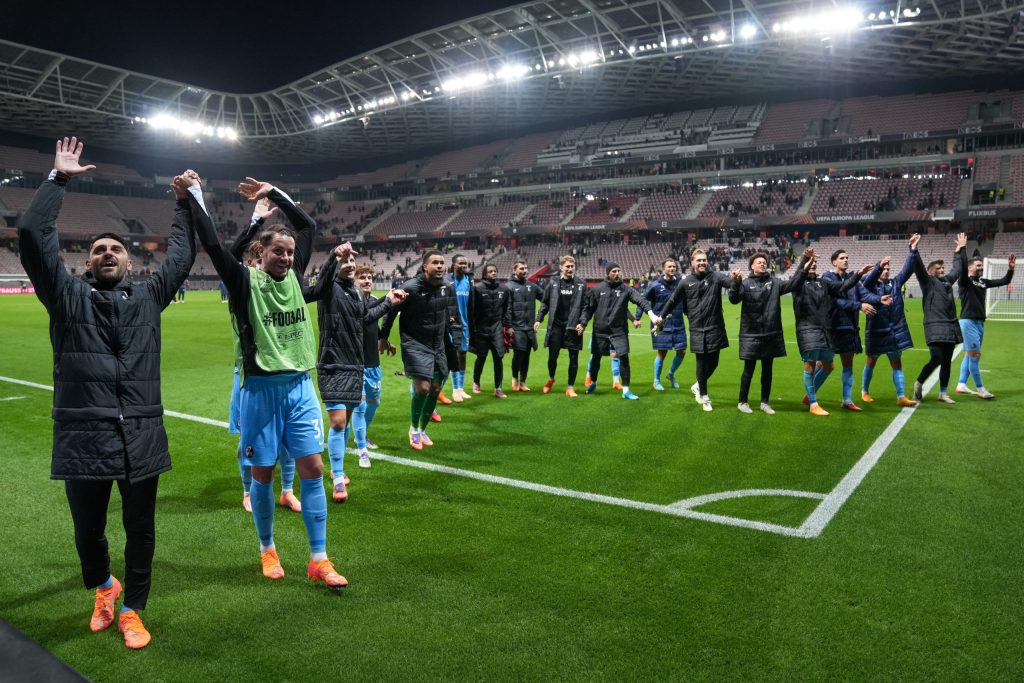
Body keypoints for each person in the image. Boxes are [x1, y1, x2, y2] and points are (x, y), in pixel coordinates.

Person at [18, 137, 196, 648]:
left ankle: (133, 608)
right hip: (83, 435)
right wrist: (58, 179)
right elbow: (31, 235)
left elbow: (182, 256)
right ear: (87, 264)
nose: (108, 253)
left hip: (142, 432)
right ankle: (103, 588)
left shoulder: (150, 296)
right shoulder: (65, 297)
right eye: (99, 250)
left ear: (131, 262)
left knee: (141, 530)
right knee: (88, 531)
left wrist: (182, 205)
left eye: (116, 248)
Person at [188, 174, 347, 589]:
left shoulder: (295, 275)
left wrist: (274, 192)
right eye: (279, 251)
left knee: (313, 467)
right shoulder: (244, 283)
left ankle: (318, 558)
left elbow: (308, 225)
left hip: (300, 386)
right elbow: (214, 246)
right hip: (260, 390)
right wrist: (196, 195)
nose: (287, 258)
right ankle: (267, 548)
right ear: (261, 252)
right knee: (263, 472)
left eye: (291, 252)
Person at [304, 244, 403, 502]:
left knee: (345, 421)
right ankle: (338, 479)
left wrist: (389, 303)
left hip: (355, 365)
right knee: (338, 422)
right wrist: (332, 256)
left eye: (351, 261)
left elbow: (365, 318)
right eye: (345, 261)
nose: (349, 264)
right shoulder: (328, 288)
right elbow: (320, 283)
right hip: (333, 363)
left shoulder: (357, 292)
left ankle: (338, 468)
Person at [232, 238, 300, 513]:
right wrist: (255, 220)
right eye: (251, 264)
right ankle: (247, 491)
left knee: (287, 438)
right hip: (250, 376)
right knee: (247, 439)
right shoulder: (242, 288)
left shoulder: (281, 288)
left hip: (283, 375)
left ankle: (287, 490)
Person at [380, 250, 454, 450]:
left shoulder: (447, 286)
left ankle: (422, 429)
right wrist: (383, 337)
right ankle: (413, 428)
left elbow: (447, 313)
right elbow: (390, 311)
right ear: (425, 267)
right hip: (414, 343)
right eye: (435, 263)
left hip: (437, 344)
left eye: (442, 263)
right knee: (422, 387)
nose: (440, 266)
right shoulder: (410, 288)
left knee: (436, 388)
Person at [728, 248, 811, 414]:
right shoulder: (745, 283)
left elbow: (794, 283)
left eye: (764, 262)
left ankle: (764, 402)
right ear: (752, 266)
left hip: (770, 333)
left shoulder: (775, 283)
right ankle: (742, 401)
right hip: (750, 334)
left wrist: (803, 263)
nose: (762, 264)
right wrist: (735, 283)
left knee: (767, 370)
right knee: (748, 370)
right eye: (759, 262)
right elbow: (733, 299)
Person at [659, 249, 742, 411]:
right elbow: (673, 300)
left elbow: (730, 283)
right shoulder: (686, 282)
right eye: (699, 260)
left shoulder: (716, 277)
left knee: (714, 362)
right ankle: (704, 397)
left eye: (704, 260)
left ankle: (697, 385)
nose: (702, 262)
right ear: (692, 263)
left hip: (715, 326)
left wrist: (736, 280)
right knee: (701, 363)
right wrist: (661, 317)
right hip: (697, 328)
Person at [792, 255, 871, 416]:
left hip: (824, 329)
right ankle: (813, 403)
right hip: (808, 329)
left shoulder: (823, 282)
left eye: (815, 263)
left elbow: (843, 286)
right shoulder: (798, 283)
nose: (813, 265)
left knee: (828, 366)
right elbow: (797, 277)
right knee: (810, 366)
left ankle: (812, 398)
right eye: (810, 263)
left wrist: (858, 274)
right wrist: (804, 260)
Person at [578, 262, 661, 399]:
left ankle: (626, 390)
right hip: (600, 331)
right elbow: (588, 309)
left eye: (618, 271)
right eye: (614, 271)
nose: (617, 274)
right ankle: (593, 383)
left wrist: (651, 315)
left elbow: (640, 300)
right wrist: (583, 323)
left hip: (619, 331)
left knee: (624, 357)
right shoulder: (597, 289)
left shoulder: (626, 289)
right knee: (596, 357)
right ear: (608, 273)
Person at [821, 249, 888, 412]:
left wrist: (879, 299)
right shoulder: (827, 278)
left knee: (848, 365)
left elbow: (865, 295)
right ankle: (811, 396)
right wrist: (859, 305)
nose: (845, 260)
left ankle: (847, 400)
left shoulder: (853, 279)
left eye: (847, 258)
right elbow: (836, 301)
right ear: (834, 262)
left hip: (849, 328)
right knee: (825, 365)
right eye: (842, 258)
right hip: (831, 327)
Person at [860, 237, 920, 408]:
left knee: (896, 363)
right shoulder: (870, 286)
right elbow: (867, 281)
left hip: (894, 332)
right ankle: (864, 391)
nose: (886, 271)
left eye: (888, 269)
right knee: (871, 361)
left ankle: (901, 396)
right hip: (876, 331)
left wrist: (912, 250)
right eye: (883, 269)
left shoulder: (896, 283)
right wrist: (878, 267)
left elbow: (908, 269)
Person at [351, 264, 398, 468]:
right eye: (362, 277)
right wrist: (388, 301)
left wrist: (383, 340)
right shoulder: (351, 302)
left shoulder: (372, 301)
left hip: (373, 363)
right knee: (360, 406)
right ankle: (362, 448)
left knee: (373, 403)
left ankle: (361, 435)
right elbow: (365, 318)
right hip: (356, 364)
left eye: (369, 277)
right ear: (354, 281)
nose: (367, 280)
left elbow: (373, 324)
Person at [912, 233, 967, 404]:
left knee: (947, 361)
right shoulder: (927, 282)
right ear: (930, 271)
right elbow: (919, 267)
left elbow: (957, 270)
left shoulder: (947, 281)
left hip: (950, 326)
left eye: (943, 268)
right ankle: (918, 383)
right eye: (938, 268)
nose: (942, 270)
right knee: (936, 357)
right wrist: (914, 249)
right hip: (934, 326)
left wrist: (959, 250)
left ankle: (943, 393)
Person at [955, 250, 1015, 398]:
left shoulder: (983, 282)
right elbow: (962, 269)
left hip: (980, 323)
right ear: (970, 267)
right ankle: (980, 389)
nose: (981, 267)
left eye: (982, 265)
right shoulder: (965, 281)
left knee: (970, 355)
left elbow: (1004, 281)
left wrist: (1011, 269)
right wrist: (962, 250)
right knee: (975, 355)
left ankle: (961, 384)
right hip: (968, 322)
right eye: (978, 265)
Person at [535, 255, 587, 397]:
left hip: (573, 326)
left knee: (573, 358)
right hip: (556, 326)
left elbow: (585, 306)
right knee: (552, 357)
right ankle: (551, 378)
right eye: (567, 266)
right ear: (561, 268)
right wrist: (539, 319)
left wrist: (582, 323)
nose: (570, 269)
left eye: (572, 266)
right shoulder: (553, 282)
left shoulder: (581, 284)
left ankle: (570, 387)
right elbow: (545, 303)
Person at [638, 258, 686, 391]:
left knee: (682, 351)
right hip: (661, 324)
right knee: (662, 352)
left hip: (678, 322)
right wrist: (637, 317)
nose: (672, 269)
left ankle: (670, 374)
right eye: (669, 267)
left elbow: (686, 301)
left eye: (674, 267)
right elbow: (642, 300)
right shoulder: (655, 285)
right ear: (663, 269)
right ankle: (656, 381)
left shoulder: (681, 284)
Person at [470, 264, 512, 398]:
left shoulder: (504, 289)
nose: (494, 273)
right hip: (481, 330)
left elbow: (507, 309)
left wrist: (508, 326)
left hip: (497, 330)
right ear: (484, 275)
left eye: (495, 271)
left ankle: (498, 388)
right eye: (490, 271)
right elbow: (472, 310)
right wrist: (473, 329)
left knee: (498, 358)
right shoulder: (477, 288)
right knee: (481, 357)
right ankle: (476, 382)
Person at [505, 259, 545, 391]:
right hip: (516, 327)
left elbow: (546, 299)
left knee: (527, 355)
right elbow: (507, 309)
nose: (525, 271)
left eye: (526, 268)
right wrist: (508, 326)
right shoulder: (509, 287)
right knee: (518, 355)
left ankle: (523, 381)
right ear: (514, 270)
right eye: (521, 268)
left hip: (529, 328)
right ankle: (515, 378)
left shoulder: (532, 286)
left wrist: (539, 318)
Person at [447, 253, 473, 402]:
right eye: (460, 263)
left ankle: (461, 388)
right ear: (453, 265)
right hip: (451, 325)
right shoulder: (447, 281)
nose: (463, 266)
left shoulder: (469, 281)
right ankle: (455, 389)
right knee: (455, 355)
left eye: (465, 264)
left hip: (465, 325)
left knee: (463, 354)